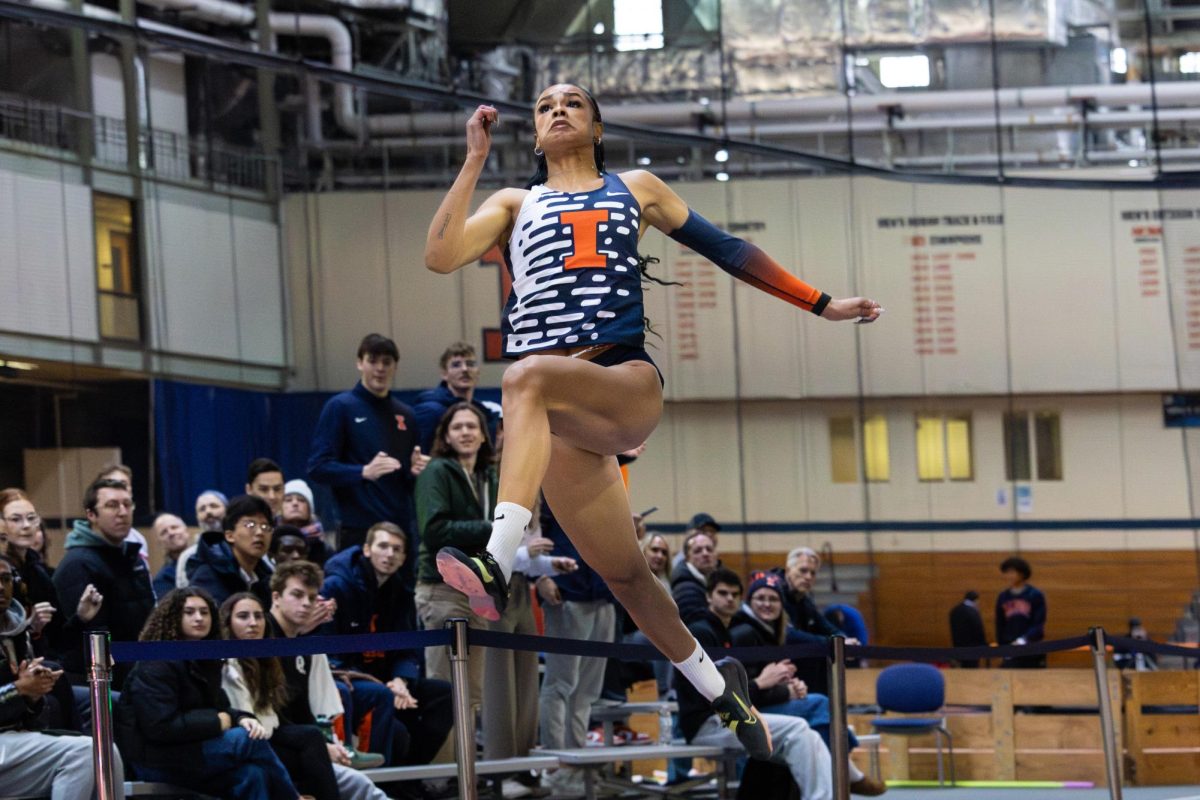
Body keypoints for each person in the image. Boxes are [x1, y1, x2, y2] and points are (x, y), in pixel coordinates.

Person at [423, 85, 880, 761]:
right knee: (629, 578)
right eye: (545, 104)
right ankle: (725, 694)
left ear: (597, 125)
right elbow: (439, 256)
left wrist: (822, 304)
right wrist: (472, 161)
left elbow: (726, 249)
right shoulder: (513, 204)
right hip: (557, 412)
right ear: (535, 134)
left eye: (573, 102)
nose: (557, 110)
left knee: (521, 376)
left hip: (623, 381)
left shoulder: (634, 187)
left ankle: (495, 561)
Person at [117, 587, 307, 799]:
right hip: (157, 759)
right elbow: (160, 727)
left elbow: (222, 707)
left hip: (191, 750)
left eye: (204, 612)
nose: (199, 618)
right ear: (172, 616)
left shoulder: (206, 659)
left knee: (253, 774)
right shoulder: (155, 663)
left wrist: (242, 718)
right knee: (247, 740)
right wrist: (218, 722)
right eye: (189, 612)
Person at [676, 568, 832, 799]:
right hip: (707, 722)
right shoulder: (701, 631)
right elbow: (713, 694)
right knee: (799, 728)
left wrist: (781, 688)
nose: (729, 599)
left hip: (730, 716)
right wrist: (761, 683)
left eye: (734, 594)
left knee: (809, 736)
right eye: (722, 593)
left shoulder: (726, 632)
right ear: (709, 596)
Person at [221, 592, 389, 800]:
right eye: (243, 616)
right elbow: (246, 718)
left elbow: (276, 716)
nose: (253, 623)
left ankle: (335, 751)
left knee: (316, 741)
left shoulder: (266, 659)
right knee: (311, 741)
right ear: (228, 622)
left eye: (258, 616)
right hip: (246, 739)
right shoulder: (226, 663)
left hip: (270, 733)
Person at [731, 571, 885, 796]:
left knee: (818, 714)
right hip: (749, 710)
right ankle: (846, 775)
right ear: (749, 601)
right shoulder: (744, 633)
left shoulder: (774, 632)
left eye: (773, 599)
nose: (767, 604)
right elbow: (751, 689)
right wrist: (787, 692)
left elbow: (773, 677)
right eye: (761, 598)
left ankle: (842, 778)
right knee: (820, 706)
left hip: (768, 704)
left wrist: (792, 686)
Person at [320, 523, 454, 767]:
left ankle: (410, 777)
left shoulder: (401, 593)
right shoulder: (336, 586)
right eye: (383, 546)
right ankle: (386, 786)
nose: (389, 554)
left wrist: (401, 680)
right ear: (367, 549)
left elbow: (408, 649)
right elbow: (331, 656)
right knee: (399, 732)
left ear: (403, 558)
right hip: (352, 683)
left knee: (444, 694)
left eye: (396, 549)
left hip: (389, 682)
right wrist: (382, 685)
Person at [0, 553, 127, 799]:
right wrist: (20, 690)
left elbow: (31, 716)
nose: (0, 587)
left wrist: (34, 695)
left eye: (5, 579)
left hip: (12, 739)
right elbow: (17, 691)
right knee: (84, 752)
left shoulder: (17, 631)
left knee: (107, 753)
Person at [307, 333, 430, 556]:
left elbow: (406, 482)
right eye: (373, 361)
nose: (380, 368)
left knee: (402, 592)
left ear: (395, 367)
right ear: (359, 363)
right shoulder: (341, 407)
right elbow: (318, 468)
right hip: (359, 529)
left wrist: (414, 472)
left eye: (387, 362)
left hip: (400, 529)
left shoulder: (406, 415)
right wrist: (363, 471)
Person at [414, 402, 499, 709]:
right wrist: (490, 528)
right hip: (442, 588)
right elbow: (434, 531)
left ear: (483, 435)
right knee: (443, 692)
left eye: (472, 426)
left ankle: (467, 759)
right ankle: (445, 759)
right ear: (446, 437)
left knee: (472, 696)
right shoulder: (436, 470)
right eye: (457, 427)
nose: (465, 432)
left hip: (480, 590)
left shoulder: (488, 475)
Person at [53, 478, 152, 689]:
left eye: (127, 504)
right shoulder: (78, 564)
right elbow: (87, 638)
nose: (123, 512)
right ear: (91, 515)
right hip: (100, 683)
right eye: (112, 505)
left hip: (139, 674)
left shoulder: (131, 557)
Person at [413, 341, 502, 452]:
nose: (465, 369)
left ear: (478, 372)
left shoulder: (483, 413)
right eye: (456, 365)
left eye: (470, 364)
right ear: (444, 374)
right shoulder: (430, 410)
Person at [188, 495, 276, 608]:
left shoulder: (266, 578)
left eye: (265, 527)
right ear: (229, 535)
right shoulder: (208, 576)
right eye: (250, 525)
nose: (259, 532)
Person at [995, 556, 1047, 668]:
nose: (1009, 575)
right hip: (1010, 649)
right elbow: (1000, 624)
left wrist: (1023, 640)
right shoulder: (1003, 597)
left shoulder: (1035, 595)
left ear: (1022, 573)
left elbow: (1038, 624)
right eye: (1006, 572)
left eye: (1012, 572)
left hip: (1031, 649)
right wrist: (1002, 646)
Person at [96, 464, 151, 564]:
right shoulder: (94, 537)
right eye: (111, 483)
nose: (118, 488)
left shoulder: (138, 539)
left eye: (123, 483)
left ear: (131, 491)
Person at [671, 530, 720, 624]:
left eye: (709, 549)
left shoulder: (715, 581)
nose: (705, 554)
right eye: (698, 551)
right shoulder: (685, 590)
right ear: (687, 558)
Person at [281, 480, 328, 564]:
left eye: (301, 500)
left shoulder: (323, 547)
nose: (295, 503)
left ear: (310, 509)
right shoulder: (271, 540)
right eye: (288, 500)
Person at [152, 512, 192, 599]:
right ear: (160, 543)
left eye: (174, 527)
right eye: (164, 532)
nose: (171, 533)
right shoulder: (162, 579)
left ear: (186, 531)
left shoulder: (207, 560)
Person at [949, 590, 988, 668]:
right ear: (976, 600)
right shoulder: (973, 612)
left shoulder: (954, 611)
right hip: (972, 650)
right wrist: (984, 645)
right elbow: (979, 630)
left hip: (958, 649)